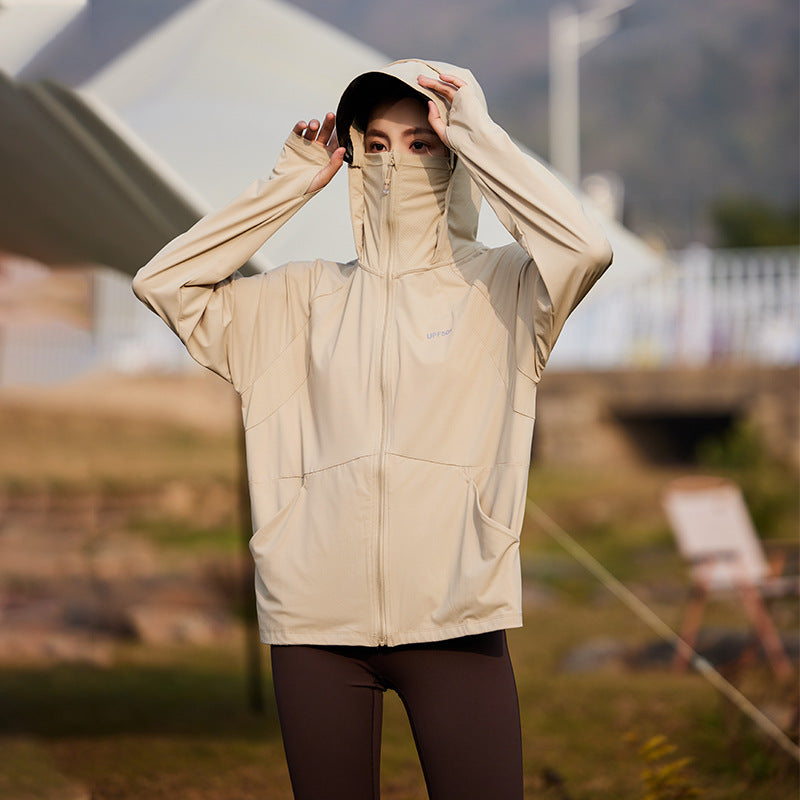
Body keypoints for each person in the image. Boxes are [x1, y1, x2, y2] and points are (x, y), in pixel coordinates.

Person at [133, 58, 612, 800]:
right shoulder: (296, 298)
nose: (397, 163)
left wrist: (480, 134)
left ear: (455, 157)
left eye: (423, 143)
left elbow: (585, 250)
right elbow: (165, 283)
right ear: (354, 156)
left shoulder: (507, 290)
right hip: (314, 631)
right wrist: (291, 181)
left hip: (457, 614)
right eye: (378, 144)